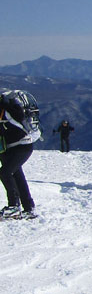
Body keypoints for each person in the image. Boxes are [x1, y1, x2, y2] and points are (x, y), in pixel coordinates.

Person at [0, 91, 38, 219]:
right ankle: (29, 208)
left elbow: (19, 118)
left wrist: (6, 106)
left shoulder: (7, 108)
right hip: (10, 148)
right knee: (17, 175)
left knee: (5, 173)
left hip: (23, 146)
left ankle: (14, 206)